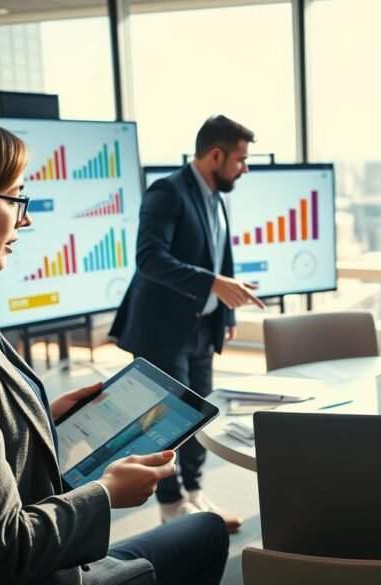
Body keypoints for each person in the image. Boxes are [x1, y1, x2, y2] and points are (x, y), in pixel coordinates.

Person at [0, 102, 228, 584]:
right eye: (16, 199)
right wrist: (106, 493)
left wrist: (37, 418)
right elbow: (4, 551)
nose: (26, 220)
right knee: (205, 533)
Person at [110, 115, 264, 528]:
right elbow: (149, 259)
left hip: (200, 327)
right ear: (216, 155)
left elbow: (219, 257)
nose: (244, 168)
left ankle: (194, 493)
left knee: (199, 414)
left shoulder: (215, 195)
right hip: (163, 329)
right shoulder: (167, 192)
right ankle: (171, 505)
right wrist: (213, 284)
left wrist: (225, 312)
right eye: (240, 160)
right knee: (164, 422)